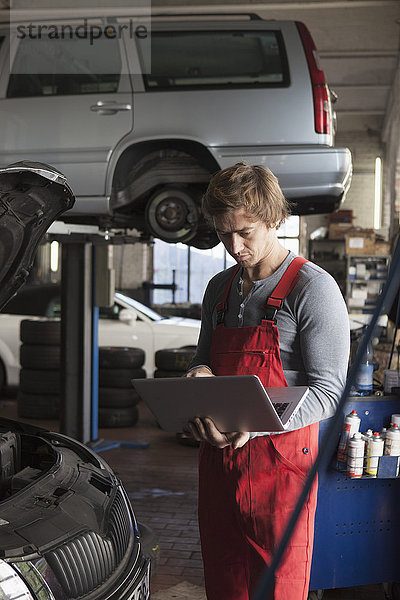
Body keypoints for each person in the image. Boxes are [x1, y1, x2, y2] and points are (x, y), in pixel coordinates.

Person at [184, 163, 350, 600]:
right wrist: (196, 378)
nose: (234, 246)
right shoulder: (219, 289)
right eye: (223, 235)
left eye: (246, 232)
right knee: (224, 578)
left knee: (277, 586)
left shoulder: (312, 288)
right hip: (219, 461)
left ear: (275, 220)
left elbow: (330, 391)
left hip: (281, 471)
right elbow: (203, 361)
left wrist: (258, 423)